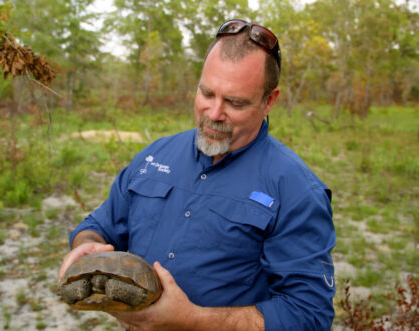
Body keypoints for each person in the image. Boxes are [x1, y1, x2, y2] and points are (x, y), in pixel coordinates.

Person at [59, 19, 336, 331]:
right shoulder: (154, 156)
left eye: (235, 102)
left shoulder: (296, 190)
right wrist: (86, 243)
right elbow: (99, 227)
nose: (214, 113)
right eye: (207, 93)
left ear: (269, 101)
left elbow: (308, 316)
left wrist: (192, 320)